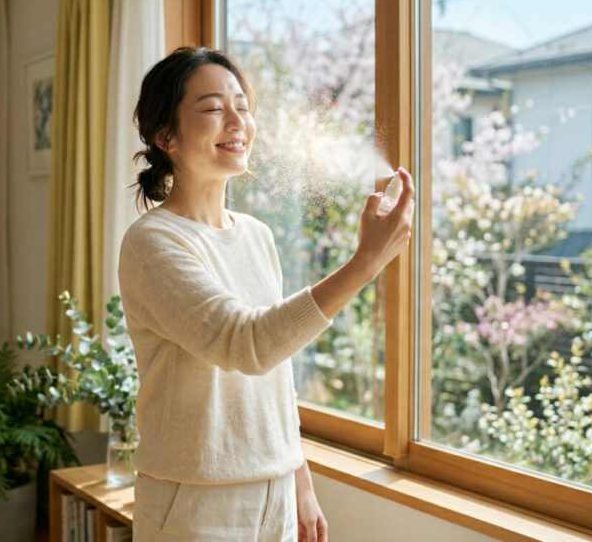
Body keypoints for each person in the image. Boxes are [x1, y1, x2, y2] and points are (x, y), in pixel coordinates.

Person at [118, 46, 415, 542]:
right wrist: (364, 265)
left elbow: (276, 371)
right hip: (194, 499)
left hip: (275, 489)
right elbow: (246, 344)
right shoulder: (153, 244)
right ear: (164, 135)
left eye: (243, 106)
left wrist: (299, 481)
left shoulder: (257, 235)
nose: (237, 121)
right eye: (213, 109)